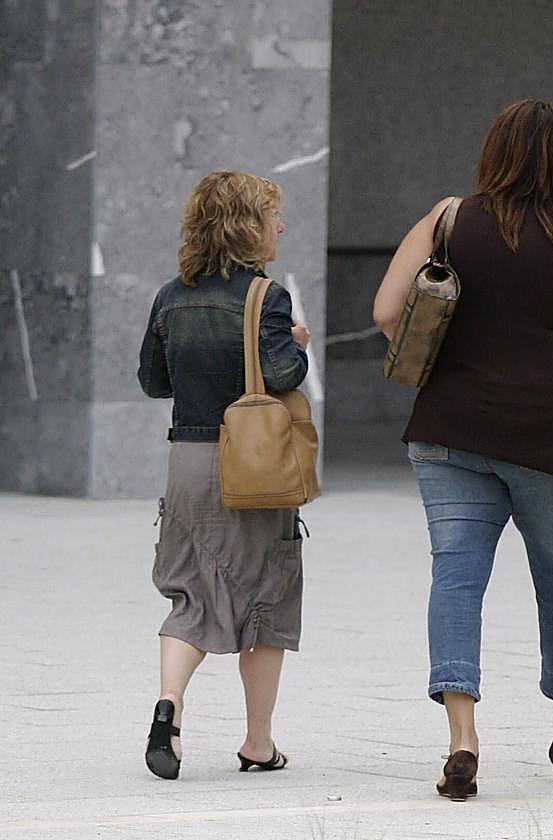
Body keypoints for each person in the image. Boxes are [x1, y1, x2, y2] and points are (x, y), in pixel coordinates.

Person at [373, 98, 553, 801]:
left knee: (457, 576)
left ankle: (463, 741)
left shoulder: (448, 219)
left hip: (450, 428)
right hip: (552, 439)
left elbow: (385, 309)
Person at [137, 170, 311, 780]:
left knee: (188, 592)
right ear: (247, 226)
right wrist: (297, 343)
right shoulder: (267, 296)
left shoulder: (169, 296)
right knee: (266, 596)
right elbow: (283, 376)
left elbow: (154, 382)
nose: (282, 227)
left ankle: (169, 708)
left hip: (187, 461)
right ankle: (258, 743)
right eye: (272, 216)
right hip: (253, 464)